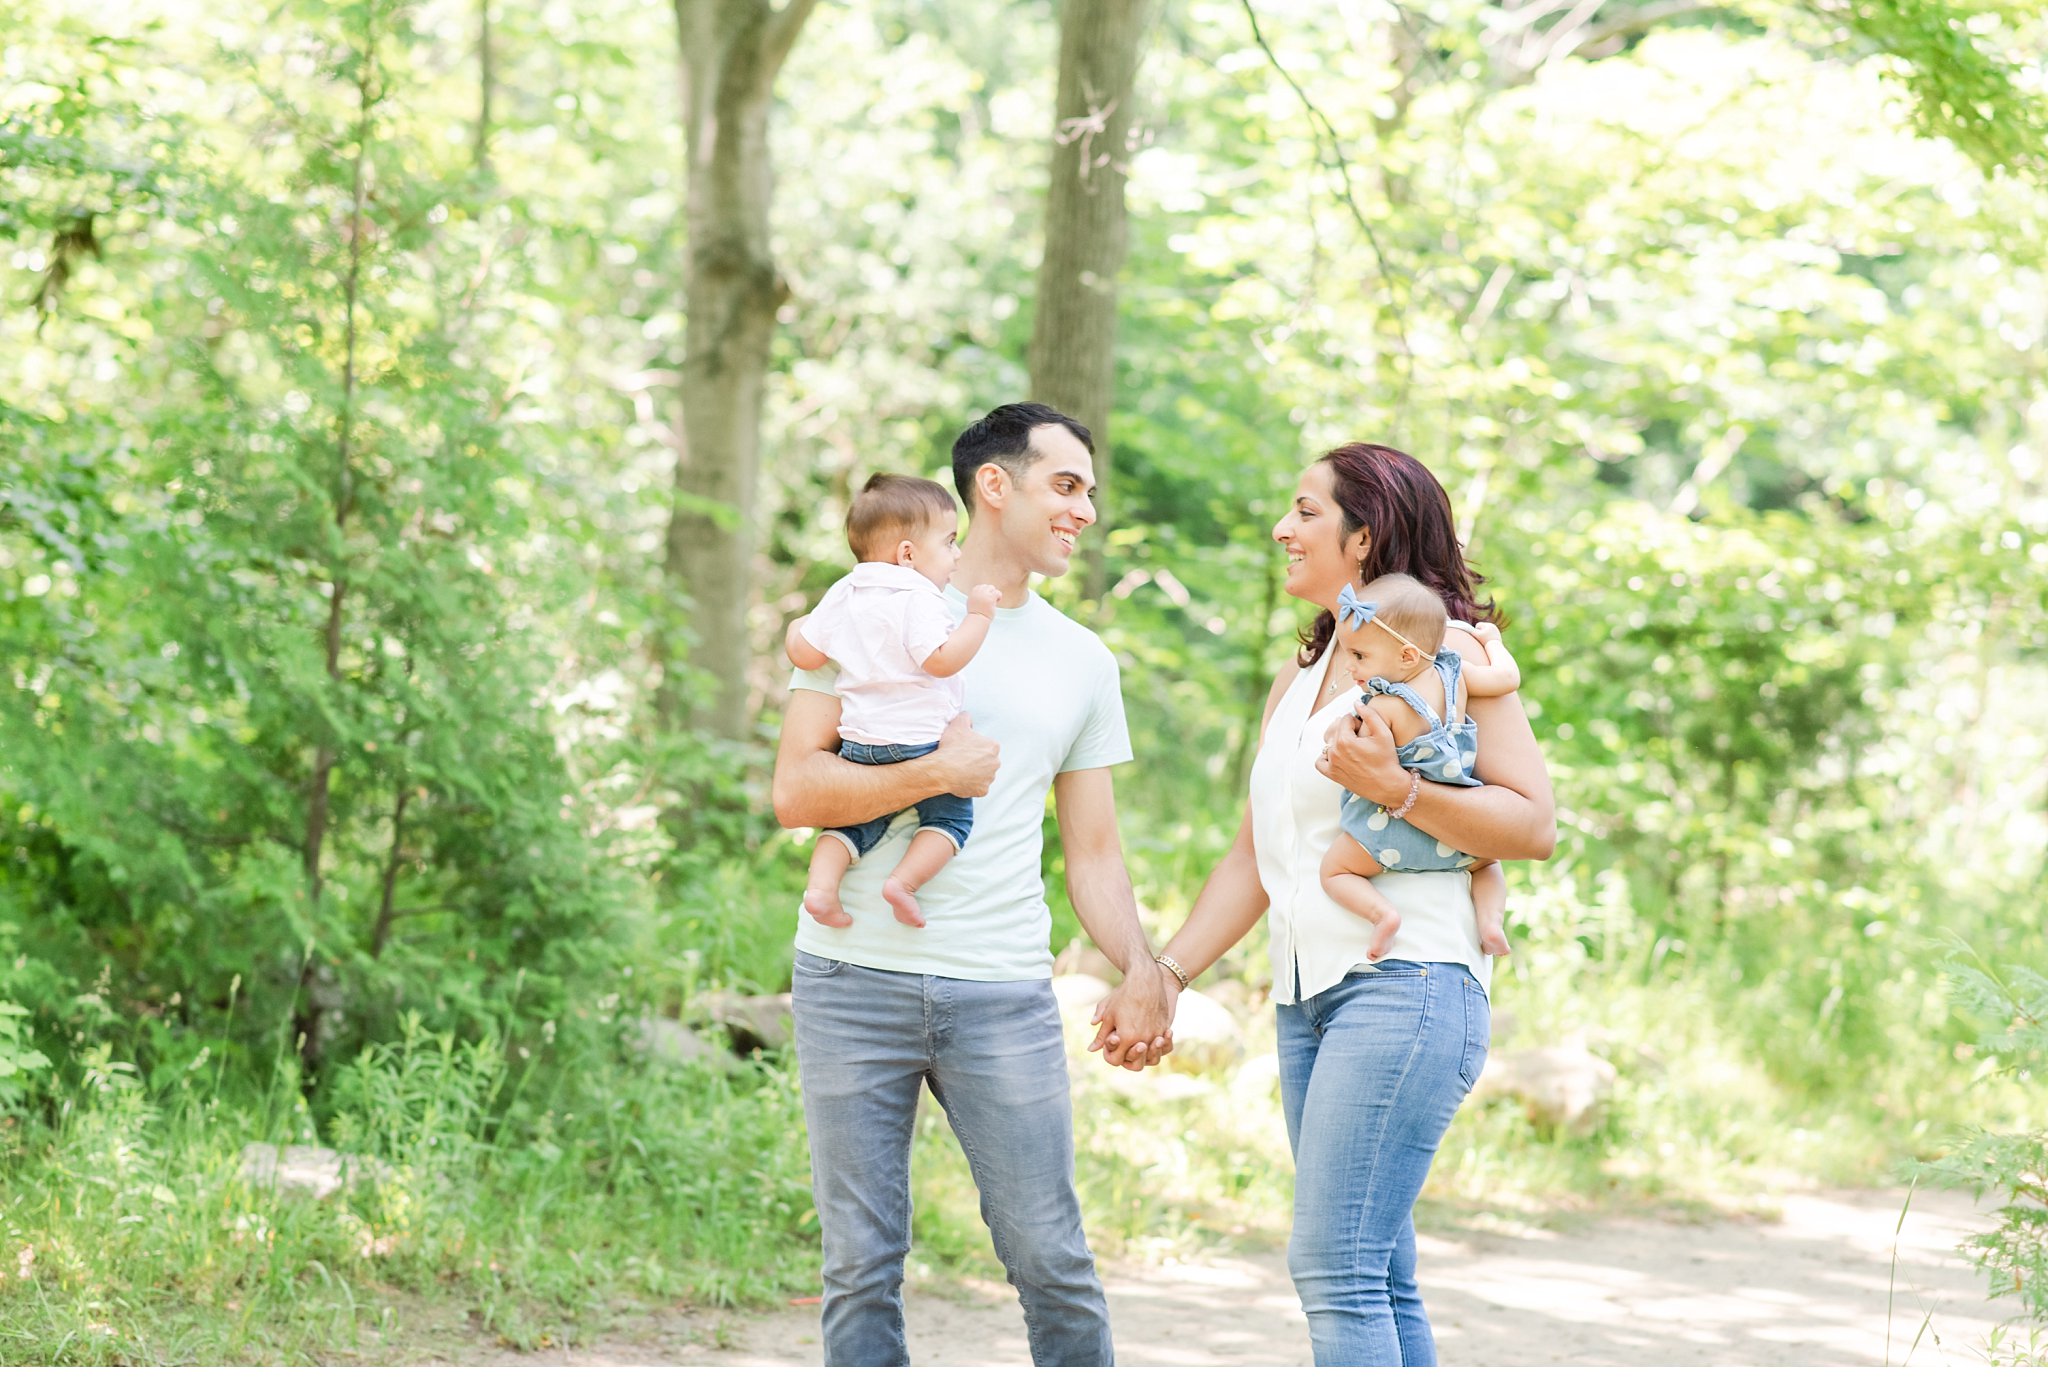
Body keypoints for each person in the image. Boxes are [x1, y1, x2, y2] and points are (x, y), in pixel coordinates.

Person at [1092, 442, 1556, 1366]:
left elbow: (1532, 823)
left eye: (1305, 511)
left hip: (1409, 980)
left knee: (1335, 1264)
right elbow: (1254, 856)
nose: (1282, 528)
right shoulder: (1302, 676)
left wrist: (1400, 790)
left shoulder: (1446, 656)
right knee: (1377, 1272)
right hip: (1309, 1000)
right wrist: (1169, 973)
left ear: (1364, 536)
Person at [772, 402, 1177, 1367]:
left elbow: (1095, 851)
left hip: (1001, 991)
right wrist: (931, 778)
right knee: (861, 1265)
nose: (1084, 510)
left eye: (1090, 492)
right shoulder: (872, 605)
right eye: (1065, 485)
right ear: (994, 486)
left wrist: (1143, 966)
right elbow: (796, 789)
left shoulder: (1084, 660)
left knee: (1052, 1257)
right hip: (847, 980)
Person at [783, 473, 1003, 929]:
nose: (956, 555)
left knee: (851, 824)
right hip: (918, 740)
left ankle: (821, 889)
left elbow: (804, 652)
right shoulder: (919, 598)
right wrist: (979, 617)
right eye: (948, 542)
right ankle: (903, 882)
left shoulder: (844, 591)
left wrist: (794, 628)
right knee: (953, 815)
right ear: (907, 555)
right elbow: (941, 661)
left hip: (861, 743)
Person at [1318, 573, 1519, 959]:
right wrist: (1492, 641)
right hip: (1455, 832)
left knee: (1334, 871)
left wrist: (1332, 734)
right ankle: (1491, 923)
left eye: (1359, 656)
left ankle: (1383, 916)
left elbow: (1345, 745)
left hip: (1388, 834)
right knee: (1489, 863)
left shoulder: (1383, 707)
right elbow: (1507, 678)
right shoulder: (1456, 678)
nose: (1350, 667)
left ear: (1407, 656)